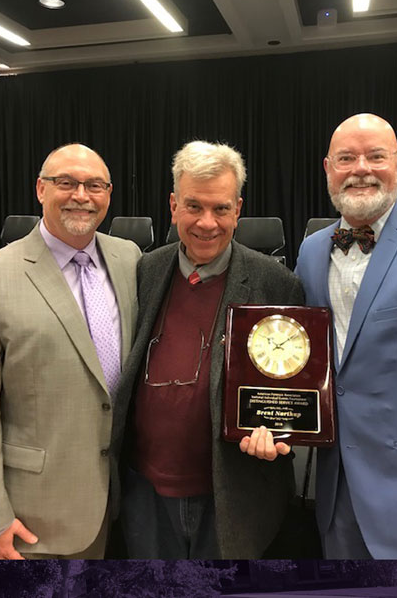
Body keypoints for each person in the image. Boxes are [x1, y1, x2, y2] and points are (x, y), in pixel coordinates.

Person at [117, 141, 304, 559]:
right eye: (193, 206)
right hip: (144, 493)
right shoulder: (145, 272)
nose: (207, 223)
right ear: (173, 205)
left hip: (233, 495)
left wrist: (280, 431)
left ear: (238, 209)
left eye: (220, 209)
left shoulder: (276, 284)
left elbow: (293, 391)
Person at [0, 143, 141, 559]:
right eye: (66, 183)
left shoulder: (130, 259)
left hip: (127, 504)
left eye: (94, 185)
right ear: (40, 189)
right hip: (36, 519)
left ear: (109, 193)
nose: (81, 196)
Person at [295, 113, 397, 559]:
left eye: (376, 156)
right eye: (347, 158)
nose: (361, 169)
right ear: (328, 168)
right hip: (335, 493)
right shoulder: (312, 250)